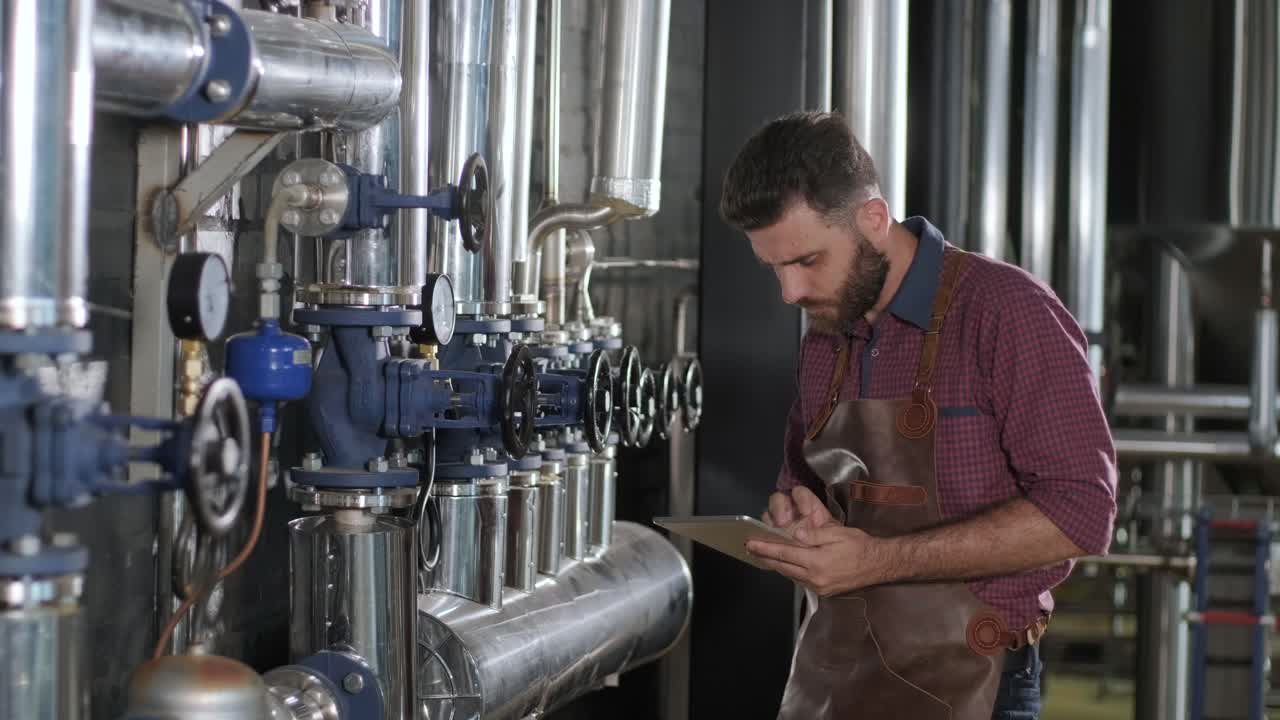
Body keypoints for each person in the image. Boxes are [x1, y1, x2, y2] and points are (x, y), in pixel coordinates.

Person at [720, 112, 1118, 719]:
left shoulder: (1006, 312)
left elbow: (1081, 513)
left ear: (873, 219)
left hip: (974, 686)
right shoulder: (825, 334)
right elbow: (802, 479)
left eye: (806, 261)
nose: (789, 293)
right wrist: (795, 514)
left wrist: (879, 560)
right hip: (836, 677)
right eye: (774, 267)